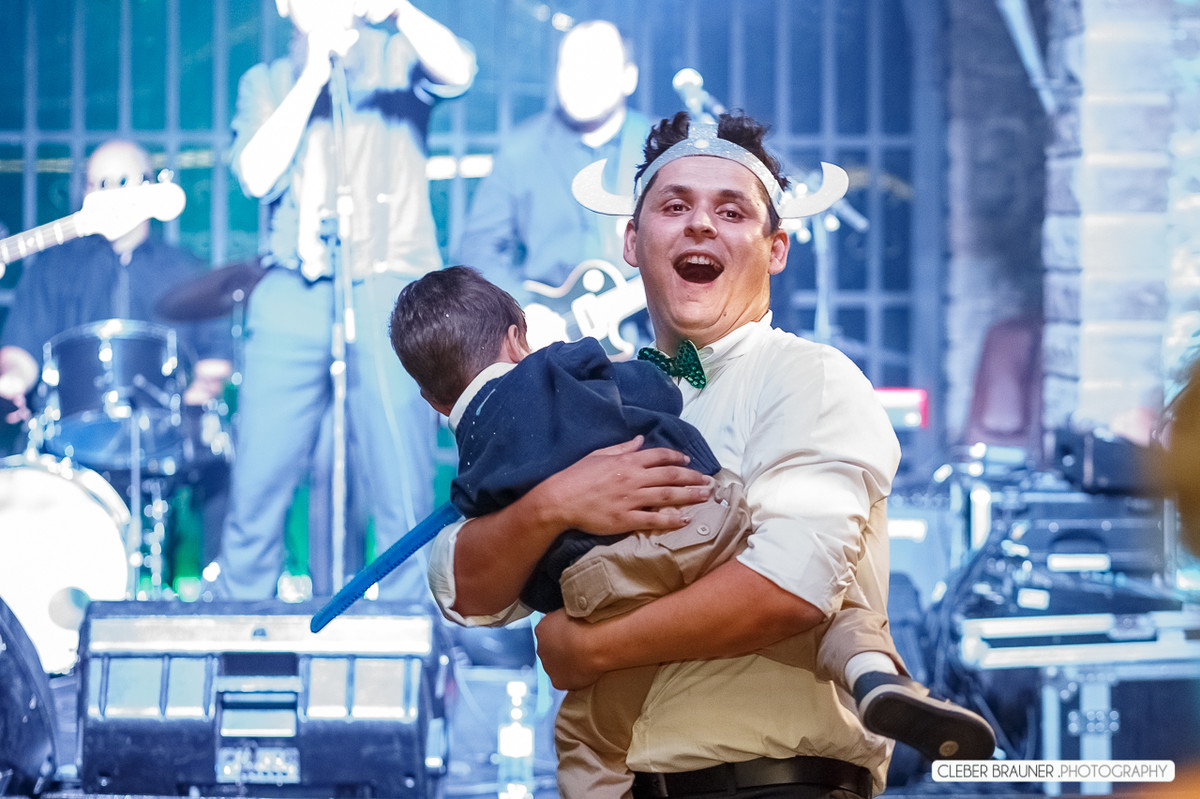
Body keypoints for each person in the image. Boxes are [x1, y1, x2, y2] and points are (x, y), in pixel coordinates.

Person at [402, 267, 995, 797]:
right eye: (675, 205)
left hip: (762, 765)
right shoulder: (585, 375)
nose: (702, 225)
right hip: (704, 531)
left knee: (587, 741)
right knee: (842, 620)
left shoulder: (805, 374)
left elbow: (786, 590)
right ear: (633, 241)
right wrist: (556, 502)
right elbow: (462, 583)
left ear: (775, 246)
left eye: (731, 209)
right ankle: (874, 673)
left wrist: (588, 646)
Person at [208, 0, 475, 600]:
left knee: (400, 486)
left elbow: (458, 71)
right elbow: (255, 175)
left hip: (388, 287)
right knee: (259, 480)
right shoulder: (267, 81)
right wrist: (312, 76)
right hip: (293, 290)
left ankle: (410, 645)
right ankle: (241, 626)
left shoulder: (396, 56)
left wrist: (401, 11)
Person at [0, 140, 233, 558]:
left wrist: (196, 394)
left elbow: (216, 357)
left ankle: (218, 589)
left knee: (230, 466)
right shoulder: (52, 267)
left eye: (120, 181)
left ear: (149, 186)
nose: (106, 192)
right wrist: (12, 379)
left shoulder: (186, 270)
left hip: (167, 431)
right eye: (96, 182)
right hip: (69, 438)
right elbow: (20, 351)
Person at [457, 19, 651, 352]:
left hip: (649, 339)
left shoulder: (663, 147)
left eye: (596, 65)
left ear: (628, 78)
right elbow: (479, 249)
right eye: (569, 65)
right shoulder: (520, 150)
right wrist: (524, 310)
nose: (581, 78)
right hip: (550, 344)